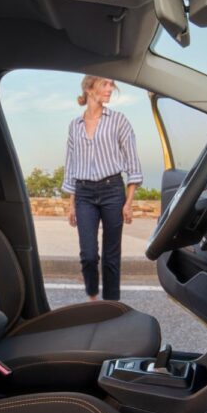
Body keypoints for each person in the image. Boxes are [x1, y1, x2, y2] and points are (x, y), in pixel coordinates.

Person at [62, 75, 144, 302]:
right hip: (83, 194)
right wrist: (71, 204)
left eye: (112, 85)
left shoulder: (119, 120)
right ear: (89, 88)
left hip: (112, 191)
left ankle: (110, 305)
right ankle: (92, 298)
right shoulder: (74, 126)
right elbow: (71, 166)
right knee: (88, 255)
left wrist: (129, 202)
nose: (110, 89)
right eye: (105, 84)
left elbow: (133, 163)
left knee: (111, 256)